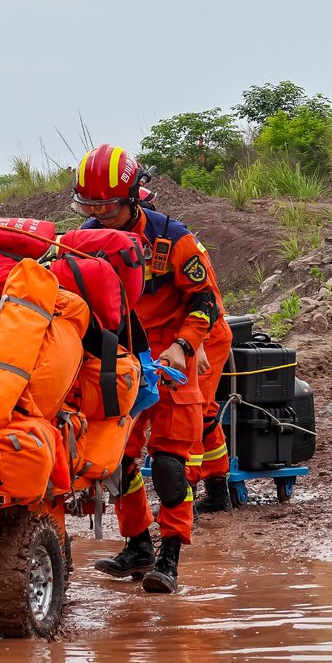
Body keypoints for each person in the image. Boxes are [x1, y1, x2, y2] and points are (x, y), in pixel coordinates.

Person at [75, 144, 233, 594]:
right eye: (89, 206)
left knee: (168, 461)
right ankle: (137, 545)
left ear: (131, 197)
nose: (99, 215)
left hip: (177, 350)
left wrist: (187, 344)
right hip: (128, 353)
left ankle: (170, 556)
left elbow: (205, 300)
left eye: (106, 205)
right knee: (116, 458)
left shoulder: (173, 238)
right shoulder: (87, 238)